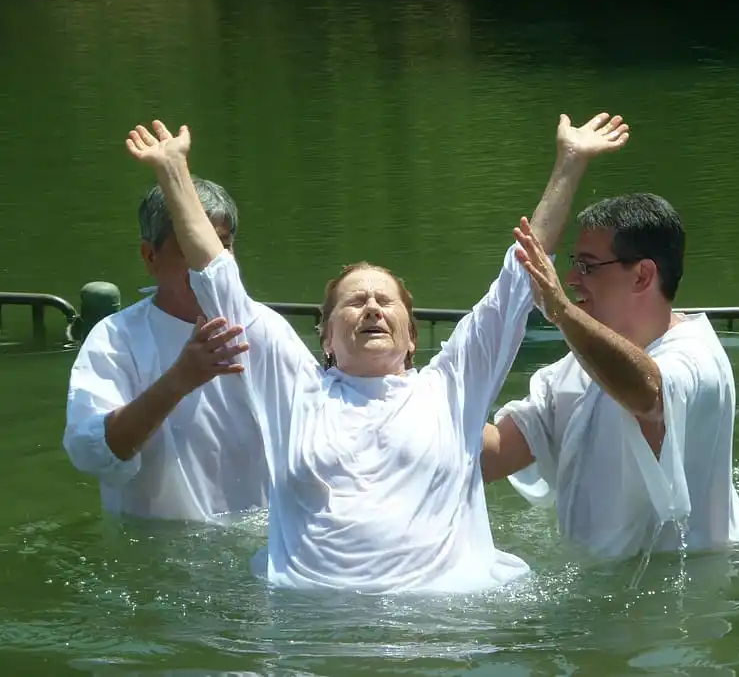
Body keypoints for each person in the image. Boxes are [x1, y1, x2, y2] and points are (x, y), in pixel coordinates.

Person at [124, 111, 630, 594]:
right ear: (324, 339)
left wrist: (570, 162)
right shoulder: (294, 391)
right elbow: (218, 278)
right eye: (354, 301)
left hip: (442, 626)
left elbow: (520, 276)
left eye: (386, 301)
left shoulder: (450, 388)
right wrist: (174, 172)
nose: (371, 308)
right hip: (307, 624)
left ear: (412, 338)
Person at [481, 192, 739, 560]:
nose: (572, 278)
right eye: (575, 263)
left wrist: (560, 311)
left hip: (679, 595)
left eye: (588, 266)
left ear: (642, 275)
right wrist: (408, 392)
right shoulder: (576, 368)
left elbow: (648, 396)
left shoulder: (695, 358)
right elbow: (491, 455)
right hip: (598, 586)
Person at [62, 178, 293, 522]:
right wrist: (177, 382)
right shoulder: (115, 337)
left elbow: (320, 434)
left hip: (259, 543)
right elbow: (91, 452)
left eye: (220, 248)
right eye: (189, 249)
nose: (206, 265)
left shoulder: (265, 328)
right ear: (149, 255)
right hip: (154, 546)